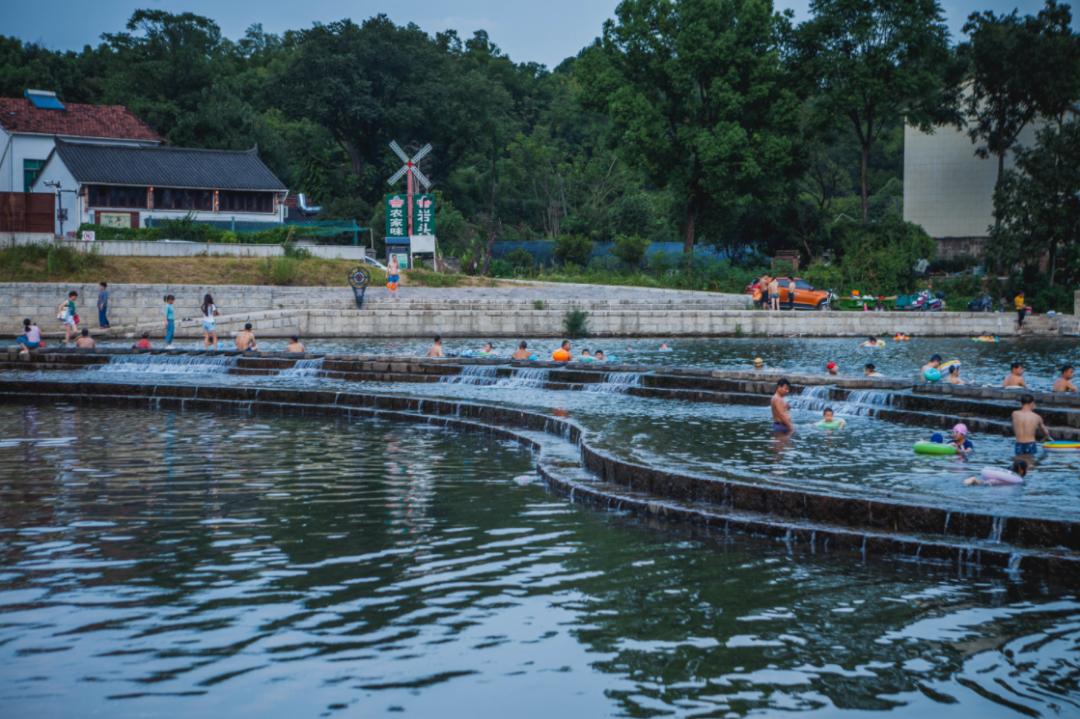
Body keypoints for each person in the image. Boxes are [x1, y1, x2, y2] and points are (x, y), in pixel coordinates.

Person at [1012, 394, 1053, 461]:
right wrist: (1046, 436)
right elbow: (1046, 432)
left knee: (1019, 463)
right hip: (1030, 444)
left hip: (1019, 443)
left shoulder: (1014, 414)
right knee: (1030, 463)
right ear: (1032, 403)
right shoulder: (1037, 417)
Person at [964, 459, 1028, 486]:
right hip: (998, 484)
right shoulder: (1019, 481)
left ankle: (973, 480)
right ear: (1021, 470)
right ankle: (973, 480)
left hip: (993, 482)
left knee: (983, 483)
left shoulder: (1010, 477)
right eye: (1026, 469)